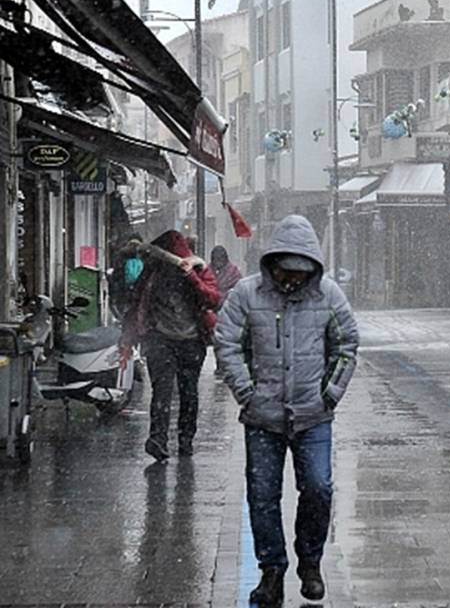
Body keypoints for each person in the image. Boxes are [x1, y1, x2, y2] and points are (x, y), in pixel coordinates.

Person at [214, 215, 359, 606]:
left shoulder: (328, 296)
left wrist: (329, 395)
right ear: (273, 264)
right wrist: (247, 392)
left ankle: (310, 561)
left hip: (314, 416)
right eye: (286, 272)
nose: (292, 281)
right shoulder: (247, 295)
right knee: (262, 495)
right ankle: (271, 570)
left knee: (318, 487)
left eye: (301, 273)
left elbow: (347, 345)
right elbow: (226, 343)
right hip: (263, 417)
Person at [122, 231, 221, 461]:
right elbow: (136, 303)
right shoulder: (152, 274)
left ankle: (185, 439)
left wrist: (192, 278)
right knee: (161, 392)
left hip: (192, 341)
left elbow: (213, 299)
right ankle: (158, 439)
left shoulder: (198, 269)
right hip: (160, 339)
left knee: (189, 392)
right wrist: (127, 339)